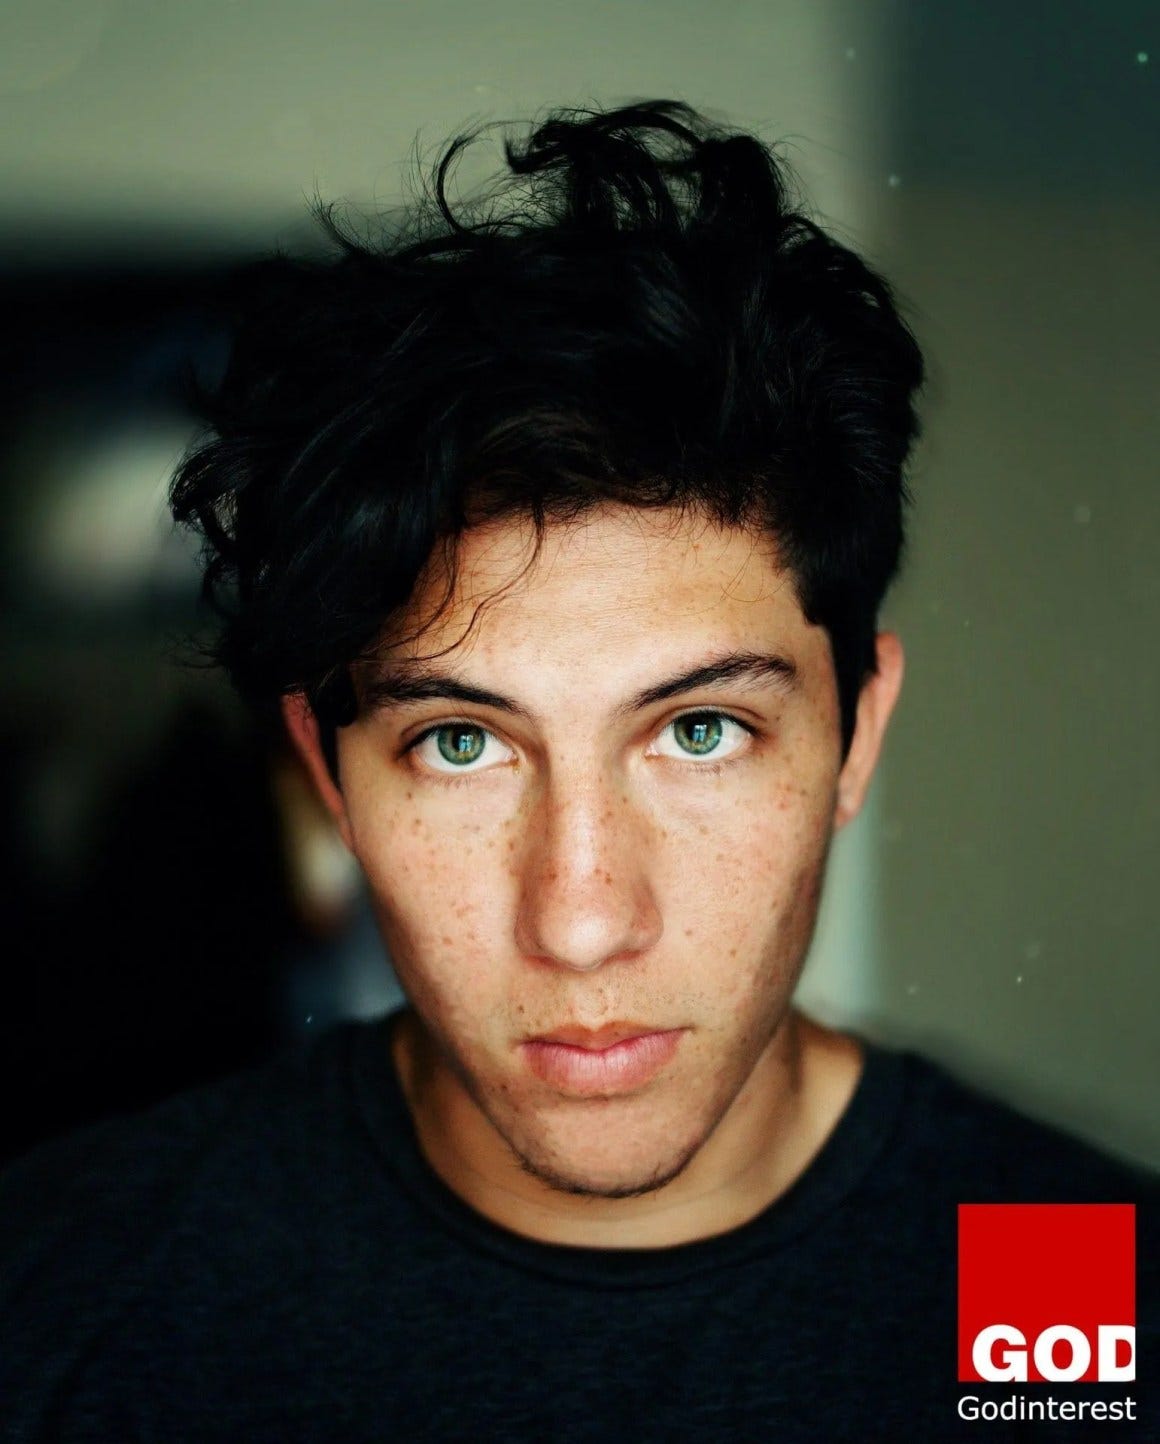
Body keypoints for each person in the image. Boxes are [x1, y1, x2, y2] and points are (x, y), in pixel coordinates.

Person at [1, 99, 1154, 1442]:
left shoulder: (1079, 1291)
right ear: (328, 773)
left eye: (700, 730)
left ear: (858, 731)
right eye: (462, 743)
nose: (585, 920)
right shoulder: (59, 1298)